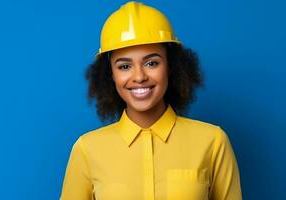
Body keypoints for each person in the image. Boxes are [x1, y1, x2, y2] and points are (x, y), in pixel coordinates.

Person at [60, 1, 242, 200]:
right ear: (109, 74)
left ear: (171, 66)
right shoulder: (87, 150)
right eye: (124, 66)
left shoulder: (213, 141)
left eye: (151, 63)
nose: (139, 77)